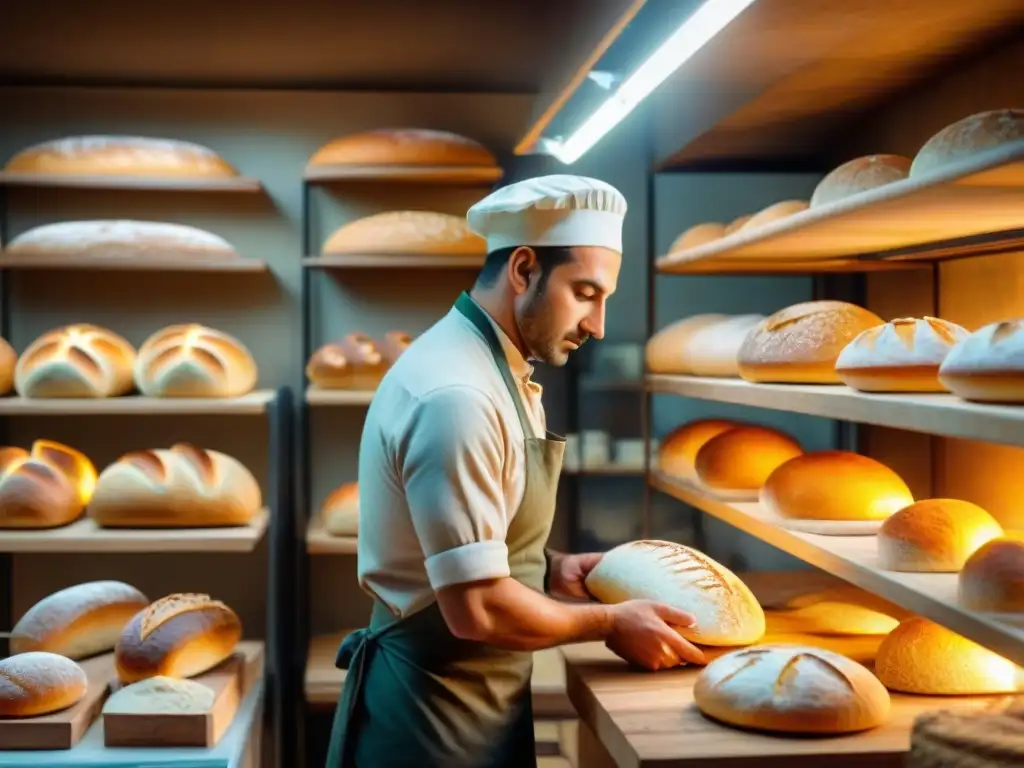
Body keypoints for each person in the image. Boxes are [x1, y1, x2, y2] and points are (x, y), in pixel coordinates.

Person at [325, 174, 705, 768]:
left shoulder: (495, 368)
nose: (598, 324)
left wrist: (549, 569)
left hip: (474, 708)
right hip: (430, 725)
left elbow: (462, 546)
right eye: (584, 293)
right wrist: (609, 620)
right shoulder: (457, 395)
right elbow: (475, 608)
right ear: (524, 269)